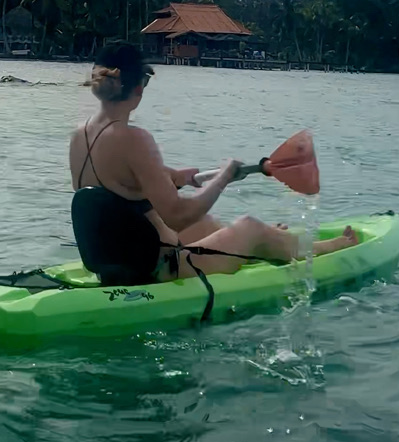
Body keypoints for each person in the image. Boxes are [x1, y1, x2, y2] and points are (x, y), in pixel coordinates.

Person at [69, 42, 357, 286]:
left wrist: (173, 177)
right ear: (139, 88)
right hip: (158, 269)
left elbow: (114, 190)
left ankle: (262, 244)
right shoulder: (135, 139)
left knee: (206, 224)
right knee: (250, 226)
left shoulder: (80, 135)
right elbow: (178, 216)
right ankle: (325, 248)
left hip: (116, 262)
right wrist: (223, 178)